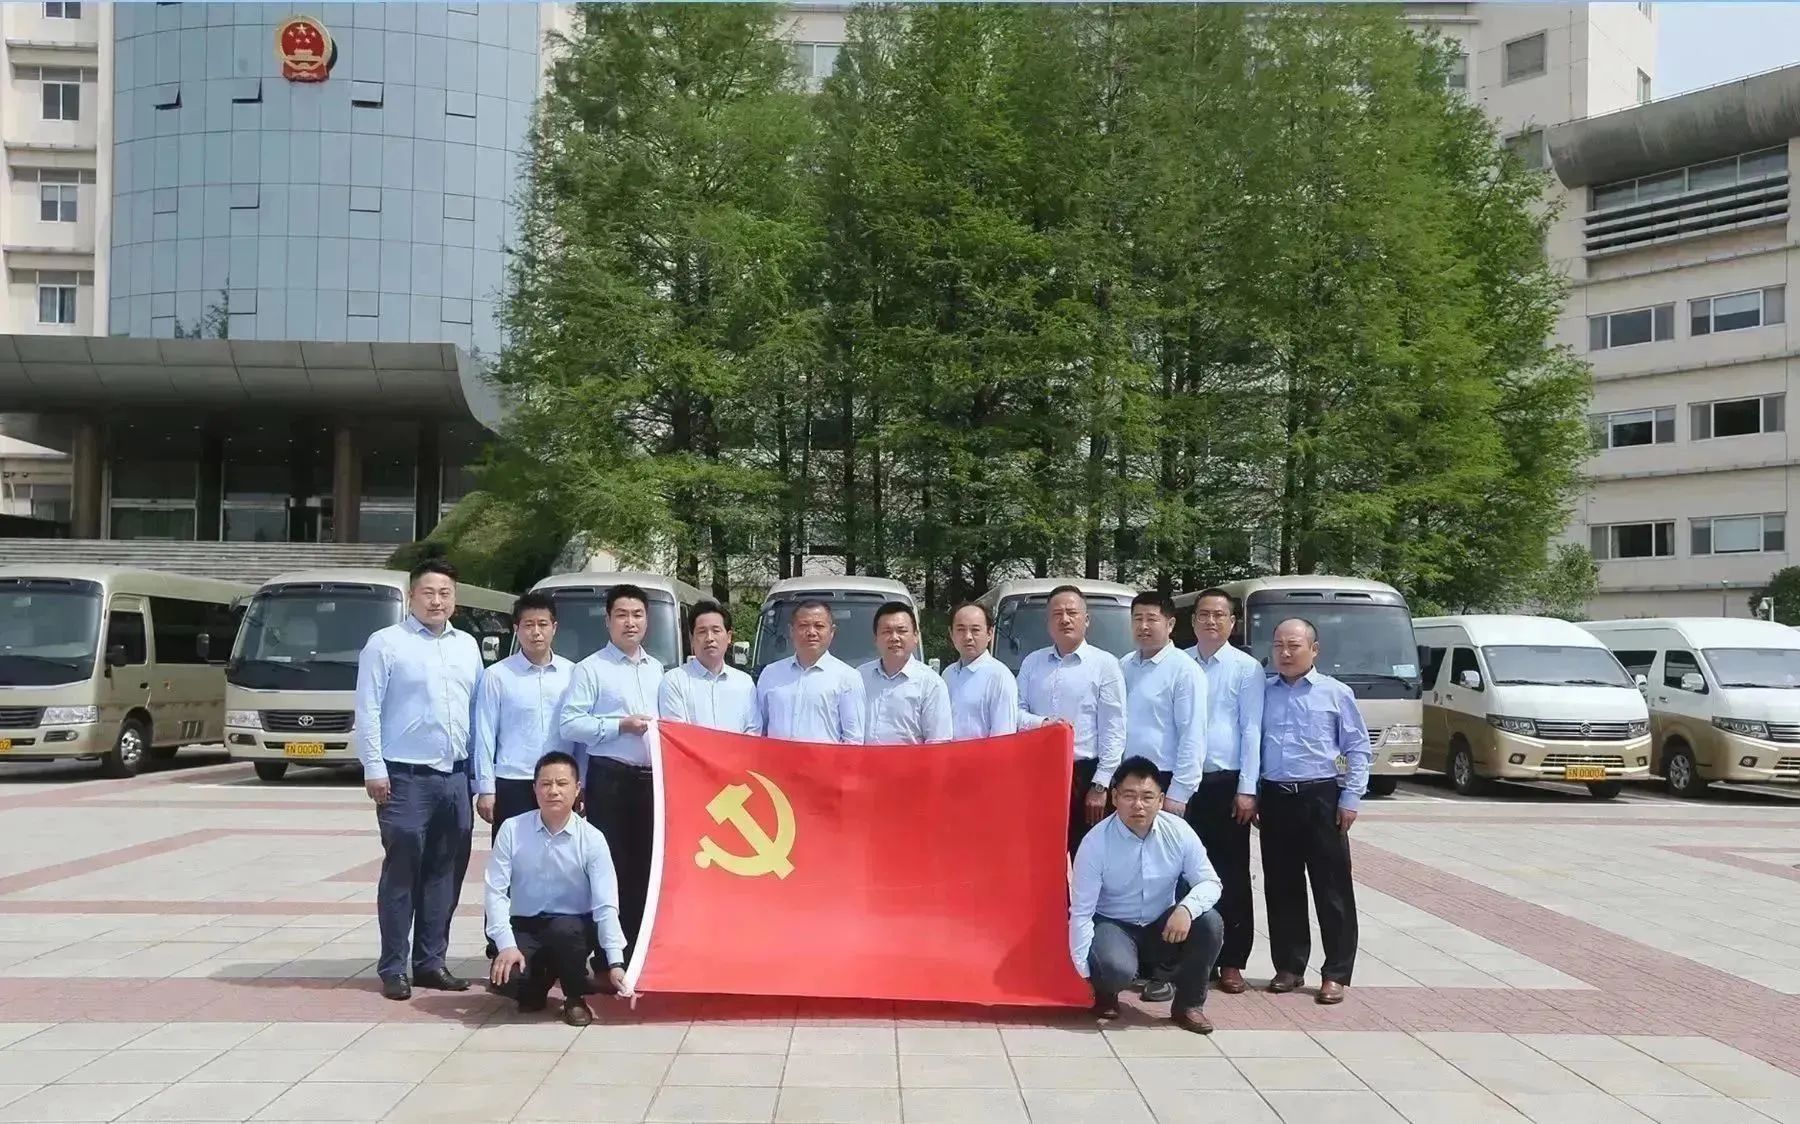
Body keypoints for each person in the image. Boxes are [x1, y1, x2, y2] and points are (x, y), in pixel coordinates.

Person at [354, 559, 481, 1001]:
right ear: (412, 597)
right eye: (428, 592)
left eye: (445, 593)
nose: (436, 601)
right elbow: (368, 708)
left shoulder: (467, 646)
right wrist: (373, 767)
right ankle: (394, 966)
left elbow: (475, 712)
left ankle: (430, 962)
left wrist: (477, 777)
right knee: (403, 870)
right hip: (404, 777)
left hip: (455, 777)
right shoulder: (386, 643)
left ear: (455, 599)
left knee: (446, 872)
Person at [1070, 756, 1225, 1034]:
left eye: (1147, 797)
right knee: (1114, 968)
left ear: (1161, 800)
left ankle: (1189, 1005)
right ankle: (1106, 992)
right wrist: (1083, 973)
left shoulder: (1179, 831)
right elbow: (1081, 911)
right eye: (1129, 796)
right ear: (1114, 797)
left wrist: (1186, 908)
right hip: (1114, 925)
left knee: (1209, 922)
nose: (1138, 805)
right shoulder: (1095, 843)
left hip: (1161, 926)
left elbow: (1210, 882)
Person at [1260, 617, 1369, 1006]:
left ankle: (1336, 972)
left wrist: (1351, 797)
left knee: (1332, 888)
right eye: (1279, 646)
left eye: (1294, 645)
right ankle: (1289, 966)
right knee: (1281, 886)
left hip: (1321, 796)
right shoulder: (1263, 692)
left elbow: (1357, 748)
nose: (1285, 653)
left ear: (1314, 650)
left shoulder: (1335, 693)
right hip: (1275, 797)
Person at [485, 751, 630, 1027]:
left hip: (573, 926)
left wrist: (615, 963)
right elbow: (496, 892)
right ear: (534, 789)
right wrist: (506, 945)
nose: (553, 791)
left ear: (577, 789)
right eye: (545, 784)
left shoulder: (592, 838)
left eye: (562, 784)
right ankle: (538, 985)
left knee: (565, 931)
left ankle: (575, 997)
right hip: (526, 924)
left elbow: (606, 904)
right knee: (508, 980)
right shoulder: (512, 829)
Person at [558, 584, 663, 963]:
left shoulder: (659, 670)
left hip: (653, 782)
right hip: (611, 778)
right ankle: (608, 955)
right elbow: (570, 724)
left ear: (647, 621)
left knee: (648, 867)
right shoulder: (590, 669)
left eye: (637, 615)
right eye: (621, 615)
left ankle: (638, 952)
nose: (629, 622)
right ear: (608, 621)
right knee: (610, 866)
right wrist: (619, 725)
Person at [472, 591, 577, 959]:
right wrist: (485, 788)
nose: (536, 632)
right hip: (514, 781)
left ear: (555, 628)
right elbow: (484, 734)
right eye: (528, 625)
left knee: (560, 863)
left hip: (561, 784)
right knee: (509, 865)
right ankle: (499, 944)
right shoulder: (497, 676)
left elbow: (577, 732)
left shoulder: (573, 674)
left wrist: (580, 784)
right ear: (516, 629)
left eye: (543, 624)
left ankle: (553, 944)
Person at [1119, 590, 1205, 1003]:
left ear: (1170, 624)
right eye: (1137, 618)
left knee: (1172, 877)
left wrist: (1179, 794)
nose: (1143, 626)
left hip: (1166, 785)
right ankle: (1136, 960)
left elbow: (1192, 735)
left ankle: (1168, 971)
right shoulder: (1123, 666)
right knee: (1136, 874)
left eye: (1152, 618)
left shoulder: (1184, 670)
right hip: (1128, 782)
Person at [1183, 588, 1262, 995]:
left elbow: (1252, 729)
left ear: (1233, 623)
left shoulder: (1247, 669)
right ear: (1193, 620)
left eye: (1219, 615)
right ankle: (1185, 956)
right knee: (1180, 871)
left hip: (1226, 784)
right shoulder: (1179, 662)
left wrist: (1248, 788)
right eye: (1204, 614)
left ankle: (1232, 960)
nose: (1211, 621)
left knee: (1230, 872)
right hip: (1183, 784)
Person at [1016, 586, 1127, 856]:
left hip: (1085, 774)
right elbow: (1014, 713)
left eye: (1072, 613)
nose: (1064, 619)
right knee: (1041, 855)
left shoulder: (1105, 664)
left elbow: (1114, 728)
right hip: (1040, 773)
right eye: (1057, 614)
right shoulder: (1032, 663)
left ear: (1086, 620)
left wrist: (1100, 784)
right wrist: (1044, 724)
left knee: (1088, 857)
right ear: (1048, 623)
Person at [757, 600, 866, 743]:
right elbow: (759, 729)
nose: (811, 632)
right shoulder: (770, 673)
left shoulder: (848, 677)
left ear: (832, 632)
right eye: (803, 626)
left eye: (819, 626)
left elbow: (853, 739)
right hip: (776, 757)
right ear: (791, 631)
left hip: (825, 758)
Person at [658, 600, 761, 735]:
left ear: (729, 637)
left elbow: (753, 731)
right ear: (692, 638)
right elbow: (677, 734)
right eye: (702, 632)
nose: (709, 638)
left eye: (716, 630)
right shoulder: (674, 681)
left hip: (738, 750)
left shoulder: (744, 683)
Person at [859, 601, 953, 744]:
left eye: (902, 631)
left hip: (912, 759)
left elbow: (938, 742)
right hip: (864, 759)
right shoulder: (859, 677)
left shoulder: (931, 683)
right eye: (886, 632)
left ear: (915, 636)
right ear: (876, 639)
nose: (894, 638)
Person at [942, 603, 1019, 739]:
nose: (968, 636)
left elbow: (1003, 736)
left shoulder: (1000, 676)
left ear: (989, 633)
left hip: (983, 753)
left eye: (975, 630)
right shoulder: (947, 674)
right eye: (961, 629)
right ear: (951, 634)